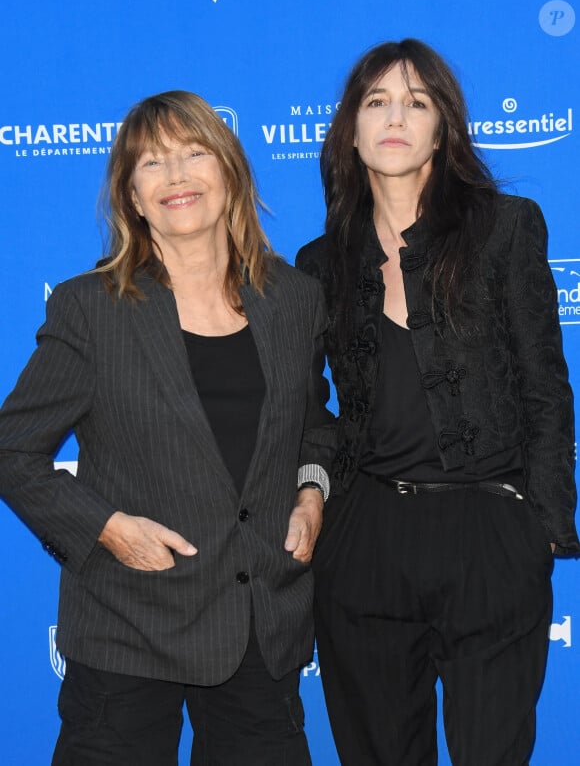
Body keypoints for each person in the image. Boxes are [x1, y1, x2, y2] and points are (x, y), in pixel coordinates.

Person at [0, 90, 335, 765]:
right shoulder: (89, 309)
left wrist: (311, 491)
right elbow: (13, 449)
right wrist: (106, 528)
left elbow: (313, 423)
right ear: (131, 195)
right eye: (152, 163)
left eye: (193, 153)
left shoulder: (295, 297)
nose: (177, 176)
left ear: (229, 170)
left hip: (255, 627)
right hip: (128, 625)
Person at [296, 39, 579, 766]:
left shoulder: (506, 229)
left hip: (489, 530)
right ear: (349, 131)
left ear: (442, 127)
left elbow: (545, 385)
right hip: (366, 540)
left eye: (416, 102)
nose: (396, 117)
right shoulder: (319, 264)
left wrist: (540, 524)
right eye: (376, 102)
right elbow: (310, 411)